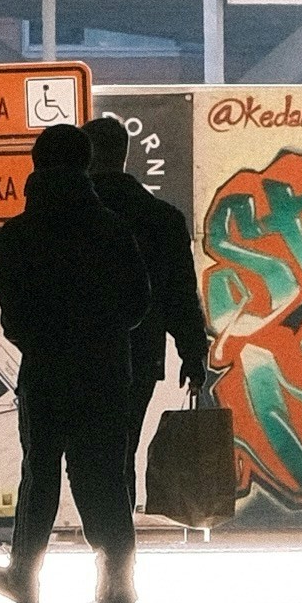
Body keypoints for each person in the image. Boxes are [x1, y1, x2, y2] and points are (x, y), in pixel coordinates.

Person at [0, 120, 152, 603]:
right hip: (104, 370)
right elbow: (137, 305)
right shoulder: (113, 229)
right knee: (103, 474)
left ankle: (25, 575)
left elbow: (10, 306)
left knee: (39, 473)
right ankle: (117, 579)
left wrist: (37, 336)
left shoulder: (19, 232)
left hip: (45, 368)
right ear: (86, 166)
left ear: (36, 165)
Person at [86, 122, 211, 500]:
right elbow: (180, 296)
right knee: (123, 448)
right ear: (124, 155)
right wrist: (193, 353)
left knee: (71, 457)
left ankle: (93, 541)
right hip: (139, 355)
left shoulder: (75, 217)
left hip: (77, 354)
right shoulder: (163, 219)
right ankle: (119, 548)